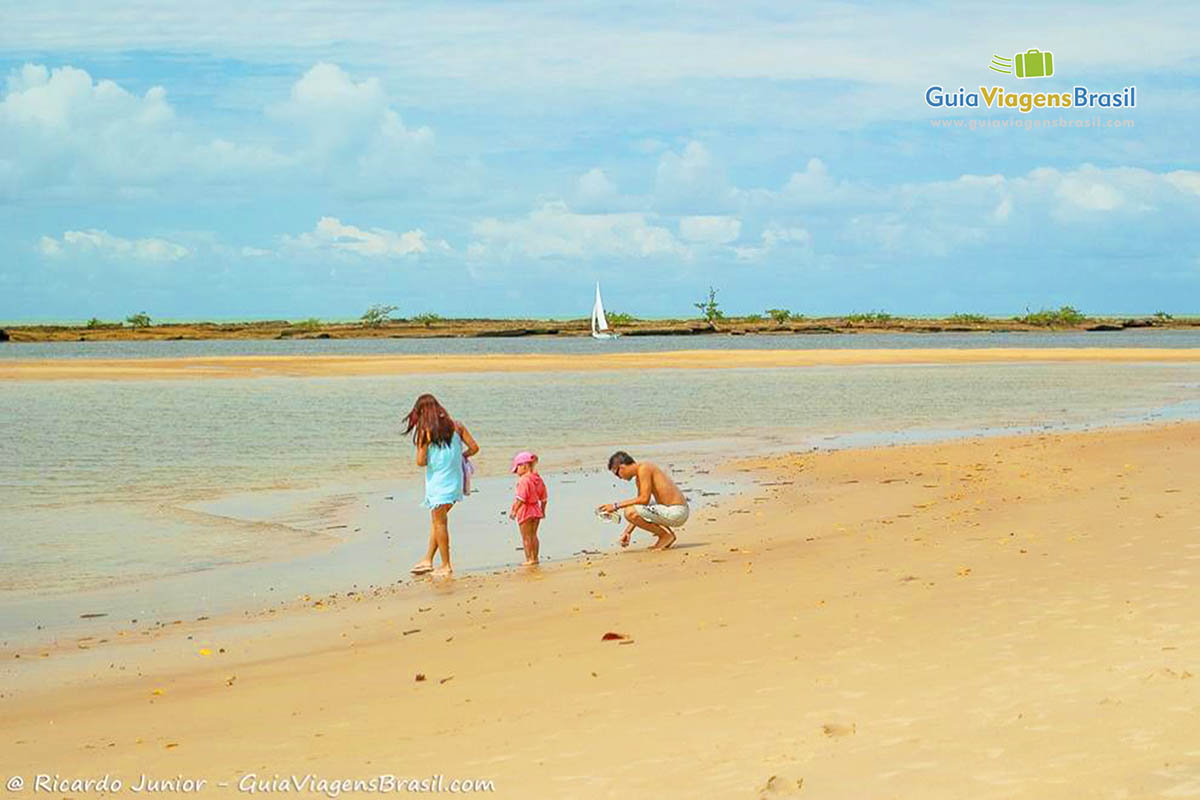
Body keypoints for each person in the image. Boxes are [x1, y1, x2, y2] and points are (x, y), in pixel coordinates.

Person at [404, 394, 479, 576]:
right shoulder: (457, 426)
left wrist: (433, 457)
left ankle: (446, 565)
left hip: (438, 483)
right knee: (437, 522)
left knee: (440, 523)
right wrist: (461, 456)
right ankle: (428, 559)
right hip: (455, 481)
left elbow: (420, 462)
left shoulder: (425, 432)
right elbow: (475, 447)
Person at [597, 451, 689, 550]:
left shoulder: (644, 468)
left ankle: (665, 536)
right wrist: (627, 532)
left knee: (629, 511)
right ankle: (667, 536)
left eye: (617, 474)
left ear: (622, 467)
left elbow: (643, 499)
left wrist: (615, 506)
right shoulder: (640, 475)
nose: (619, 478)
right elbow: (640, 508)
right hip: (673, 511)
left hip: (677, 511)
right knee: (633, 509)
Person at [508, 451, 548, 566]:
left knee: (526, 537)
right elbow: (544, 497)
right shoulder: (538, 479)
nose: (516, 472)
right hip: (536, 510)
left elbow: (521, 498)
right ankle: (535, 557)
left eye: (517, 469)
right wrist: (543, 511)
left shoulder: (524, 480)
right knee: (534, 535)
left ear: (524, 466)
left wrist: (514, 510)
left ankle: (529, 559)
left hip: (525, 510)